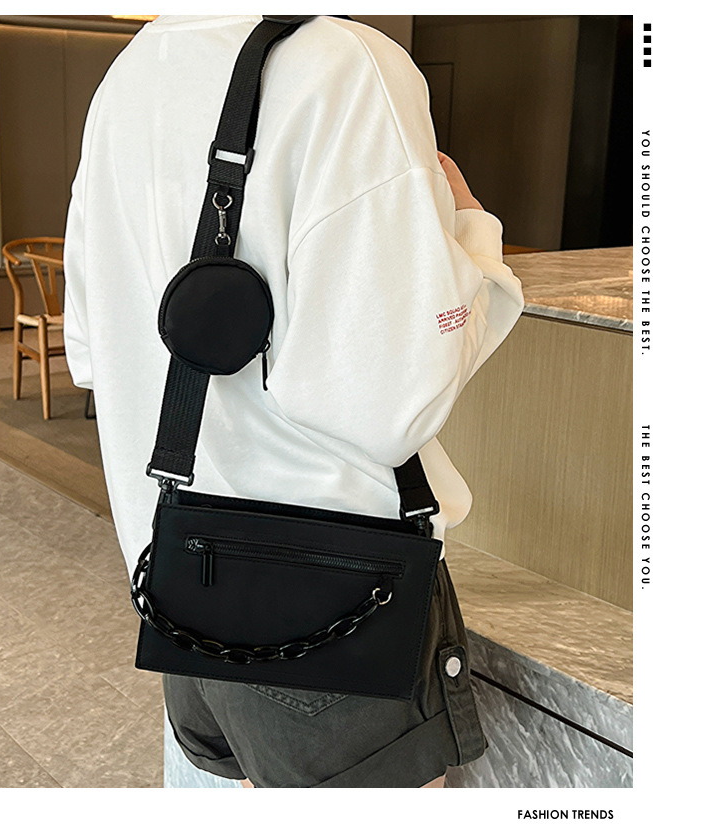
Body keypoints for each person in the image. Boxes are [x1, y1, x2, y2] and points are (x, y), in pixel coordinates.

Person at [64, 14, 524, 789]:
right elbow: (394, 405)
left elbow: (91, 347)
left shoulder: (132, 72)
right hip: (329, 604)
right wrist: (472, 235)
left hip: (184, 582)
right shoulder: (349, 65)